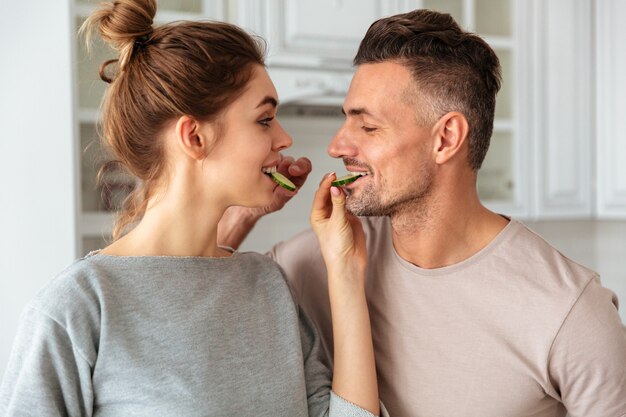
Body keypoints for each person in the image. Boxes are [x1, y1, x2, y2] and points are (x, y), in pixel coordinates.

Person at [218, 9, 626, 417]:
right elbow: (192, 311)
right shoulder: (324, 258)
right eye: (346, 120)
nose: (337, 146)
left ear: (445, 138)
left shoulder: (571, 315)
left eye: (368, 127)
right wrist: (240, 216)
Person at [0, 1, 387, 416]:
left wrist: (344, 268)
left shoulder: (268, 285)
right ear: (195, 137)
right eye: (264, 119)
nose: (284, 138)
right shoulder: (77, 307)